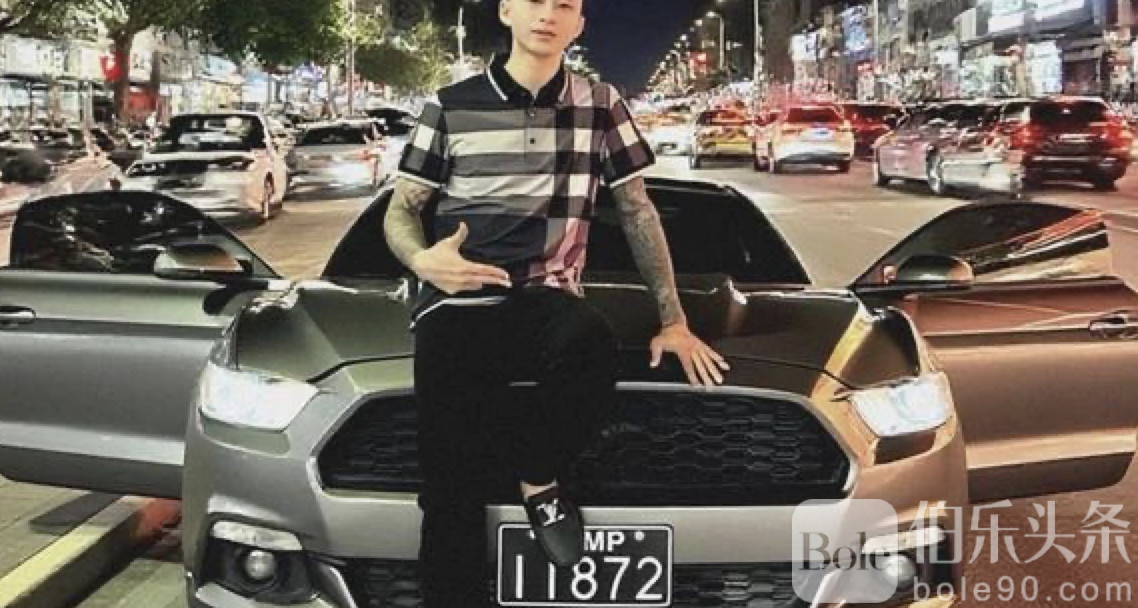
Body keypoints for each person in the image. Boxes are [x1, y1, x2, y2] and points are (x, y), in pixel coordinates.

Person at [383, 0, 729, 605]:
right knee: (448, 492)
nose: (548, 14)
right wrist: (421, 260)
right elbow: (402, 209)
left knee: (592, 342)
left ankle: (537, 479)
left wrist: (673, 320)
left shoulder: (601, 103)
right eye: (534, 2)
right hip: (457, 301)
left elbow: (637, 209)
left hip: (548, 296)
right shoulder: (449, 104)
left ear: (579, 24)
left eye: (564, 5)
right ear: (507, 12)